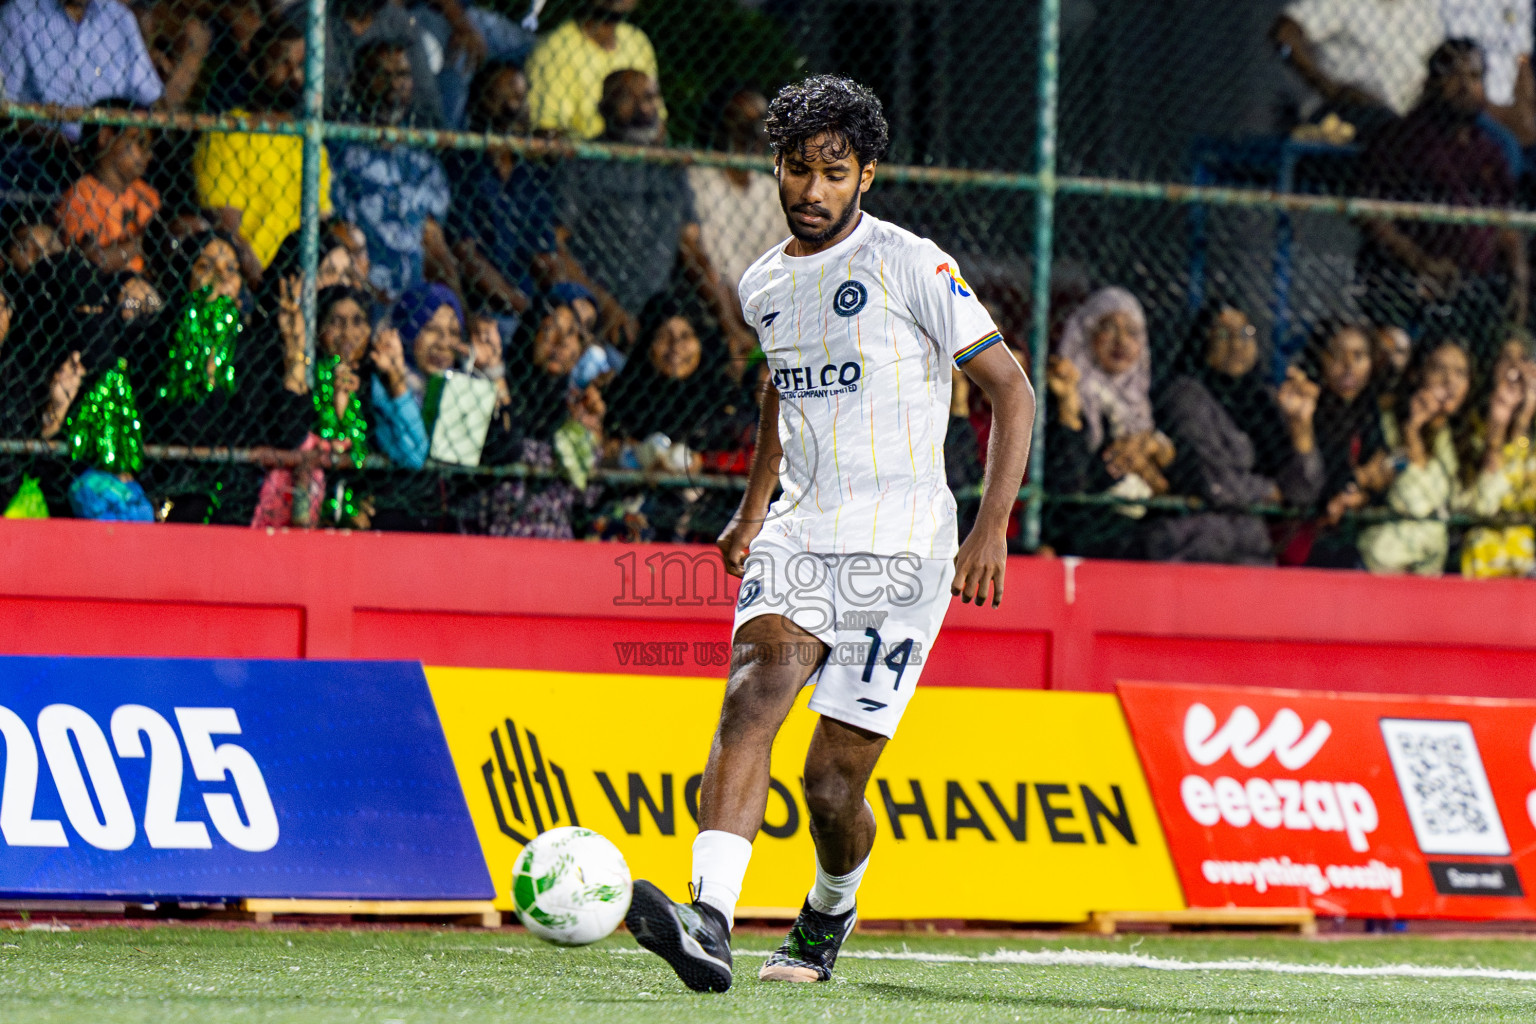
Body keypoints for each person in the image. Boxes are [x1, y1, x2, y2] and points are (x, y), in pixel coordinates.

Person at [623, 75, 1034, 993]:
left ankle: (828, 910)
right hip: (802, 537)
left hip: (907, 552)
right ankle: (710, 921)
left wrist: (990, 527)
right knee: (751, 694)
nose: (812, 189)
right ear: (776, 167)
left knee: (831, 784)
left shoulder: (911, 264)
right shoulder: (761, 282)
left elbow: (1012, 388)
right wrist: (751, 507)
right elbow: (777, 392)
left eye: (833, 172)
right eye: (797, 169)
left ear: (867, 176)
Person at [556, 70, 744, 354]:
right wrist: (606, 307)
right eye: (626, 97)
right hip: (593, 313)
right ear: (603, 107)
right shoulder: (582, 161)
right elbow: (555, 245)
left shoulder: (670, 166)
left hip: (657, 322)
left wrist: (729, 326)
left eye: (648, 96)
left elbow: (692, 249)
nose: (641, 106)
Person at [1357, 40, 1528, 351]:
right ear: (1432, 81)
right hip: (1408, 280)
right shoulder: (1402, 138)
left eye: (1475, 77)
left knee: (1514, 344)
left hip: (1476, 286)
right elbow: (1370, 212)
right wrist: (1420, 262)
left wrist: (1519, 275)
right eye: (1454, 76)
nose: (1465, 87)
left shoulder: (1489, 147)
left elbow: (1506, 222)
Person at [1148, 303, 1325, 564]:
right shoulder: (1186, 395)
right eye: (1222, 334)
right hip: (1195, 546)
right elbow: (1215, 483)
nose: (1237, 344)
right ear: (1202, 342)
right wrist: (1271, 490)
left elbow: (1303, 492)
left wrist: (1301, 428)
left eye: (1246, 333)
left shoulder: (1263, 400)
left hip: (1251, 548)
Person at [1358, 336, 1512, 573]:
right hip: (1383, 562)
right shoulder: (1389, 424)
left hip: (1429, 570)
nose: (1449, 381)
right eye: (1439, 369)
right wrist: (1412, 433)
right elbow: (1415, 505)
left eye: (1460, 373)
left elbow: (1485, 507)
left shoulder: (1462, 438)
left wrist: (1497, 433)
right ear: (1418, 374)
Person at [1042, 287, 1175, 559]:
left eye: (1132, 331)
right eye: (1109, 328)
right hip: (1084, 528)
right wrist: (1068, 408)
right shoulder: (1062, 388)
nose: (1121, 341)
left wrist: (1150, 456)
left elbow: (1168, 487)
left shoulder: (1144, 402)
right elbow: (1070, 486)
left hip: (1135, 527)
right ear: (1087, 333)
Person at [193, 19, 333, 277]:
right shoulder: (229, 132)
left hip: (303, 280)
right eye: (283, 63)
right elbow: (228, 234)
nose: (296, 75)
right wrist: (267, 289)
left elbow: (322, 224)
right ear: (256, 67)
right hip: (248, 280)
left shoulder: (310, 142)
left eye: (302, 65)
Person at [330, 40, 457, 302]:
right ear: (357, 82)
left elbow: (435, 245)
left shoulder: (422, 159)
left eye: (402, 74)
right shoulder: (337, 151)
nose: (394, 83)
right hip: (357, 296)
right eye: (382, 74)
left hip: (414, 301)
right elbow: (335, 234)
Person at [448, 62, 559, 329]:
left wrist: (559, 309)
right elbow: (467, 255)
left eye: (520, 98)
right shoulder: (460, 165)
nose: (513, 108)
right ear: (477, 104)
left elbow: (544, 256)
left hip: (530, 308)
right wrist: (527, 310)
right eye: (501, 98)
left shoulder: (531, 174)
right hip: (484, 310)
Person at [1279, 321, 1394, 567]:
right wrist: (1361, 479)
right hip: (1306, 534)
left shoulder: (1367, 407)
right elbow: (1326, 474)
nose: (1349, 366)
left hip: (1349, 532)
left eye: (1359, 356)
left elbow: (1382, 466)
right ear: (1322, 359)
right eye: (1338, 355)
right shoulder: (1312, 405)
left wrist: (1360, 492)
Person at [687, 87, 786, 327]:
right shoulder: (698, 180)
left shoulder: (771, 191)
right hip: (712, 306)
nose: (753, 132)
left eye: (760, 122)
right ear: (720, 125)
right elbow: (699, 257)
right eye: (741, 121)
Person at [1271, 0, 1444, 136]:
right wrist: (1332, 89)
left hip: (1405, 122)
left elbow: (1442, 65)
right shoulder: (1342, 3)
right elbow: (1285, 34)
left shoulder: (1422, 11)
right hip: (1344, 113)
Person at [287, 0, 445, 126]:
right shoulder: (307, 18)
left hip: (392, 137)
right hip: (323, 134)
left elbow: (427, 103)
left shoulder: (400, 24)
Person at [524, 0, 663, 140]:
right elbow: (546, 132)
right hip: (584, 157)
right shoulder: (554, 49)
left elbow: (659, 122)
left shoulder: (637, 41)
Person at [55, 101, 160, 275]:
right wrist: (147, 242)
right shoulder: (81, 196)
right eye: (139, 142)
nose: (148, 154)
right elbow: (92, 262)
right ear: (105, 137)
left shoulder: (145, 193)